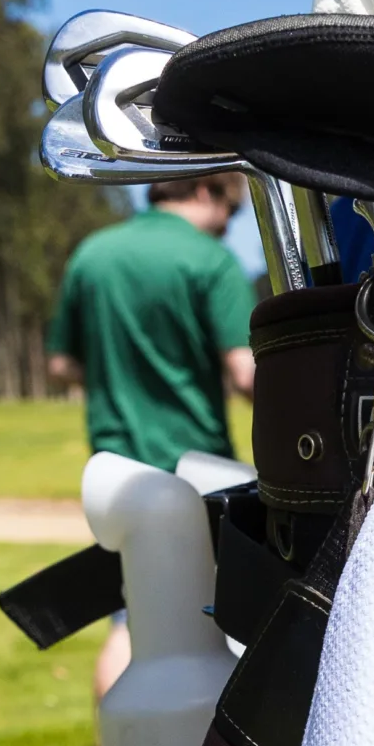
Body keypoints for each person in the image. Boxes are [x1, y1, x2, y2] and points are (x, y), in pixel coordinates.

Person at [46, 172, 259, 694]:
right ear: (210, 193)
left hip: (114, 473)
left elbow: (60, 364)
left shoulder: (92, 255)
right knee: (217, 620)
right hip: (198, 473)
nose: (227, 229)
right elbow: (245, 374)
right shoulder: (209, 259)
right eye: (231, 214)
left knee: (130, 618)